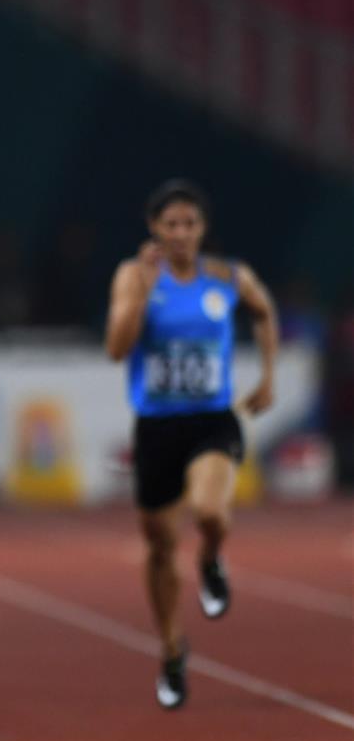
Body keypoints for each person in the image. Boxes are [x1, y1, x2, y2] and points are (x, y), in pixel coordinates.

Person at [104, 180, 277, 709]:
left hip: (212, 421)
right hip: (157, 428)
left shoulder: (227, 276)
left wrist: (268, 376)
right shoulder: (134, 275)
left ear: (202, 229)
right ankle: (173, 648)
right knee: (158, 545)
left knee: (209, 511)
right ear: (155, 228)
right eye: (171, 224)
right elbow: (116, 348)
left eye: (190, 224)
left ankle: (211, 559)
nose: (181, 233)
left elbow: (264, 310)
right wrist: (138, 295)